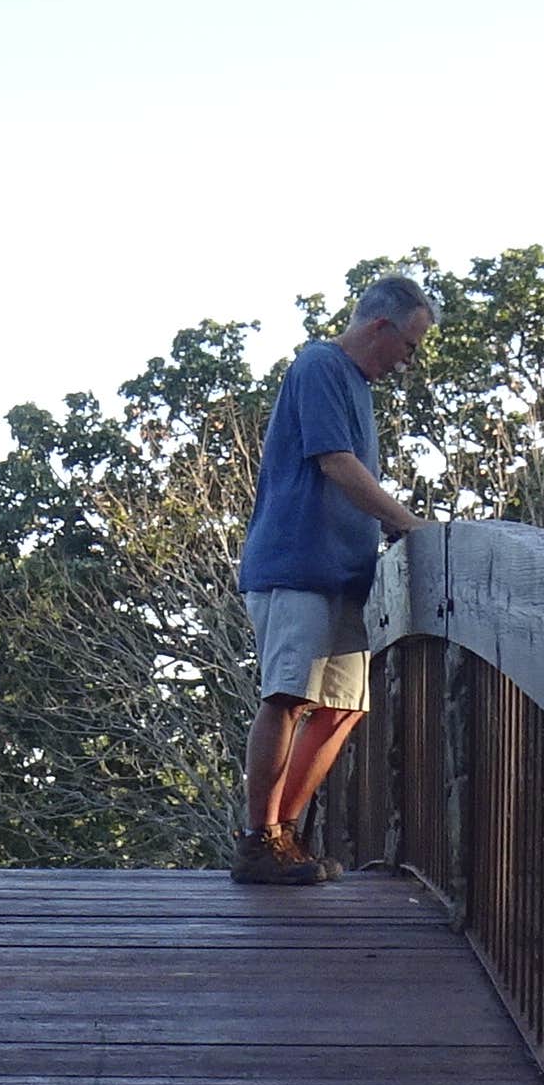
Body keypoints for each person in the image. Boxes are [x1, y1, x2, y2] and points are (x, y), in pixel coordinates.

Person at [230, 272, 433, 883]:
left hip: (346, 573)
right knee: (288, 696)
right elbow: (334, 463)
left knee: (342, 708)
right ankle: (257, 838)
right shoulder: (319, 366)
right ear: (379, 326)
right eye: (409, 345)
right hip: (296, 565)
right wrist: (408, 524)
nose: (408, 360)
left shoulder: (359, 389)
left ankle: (284, 833)